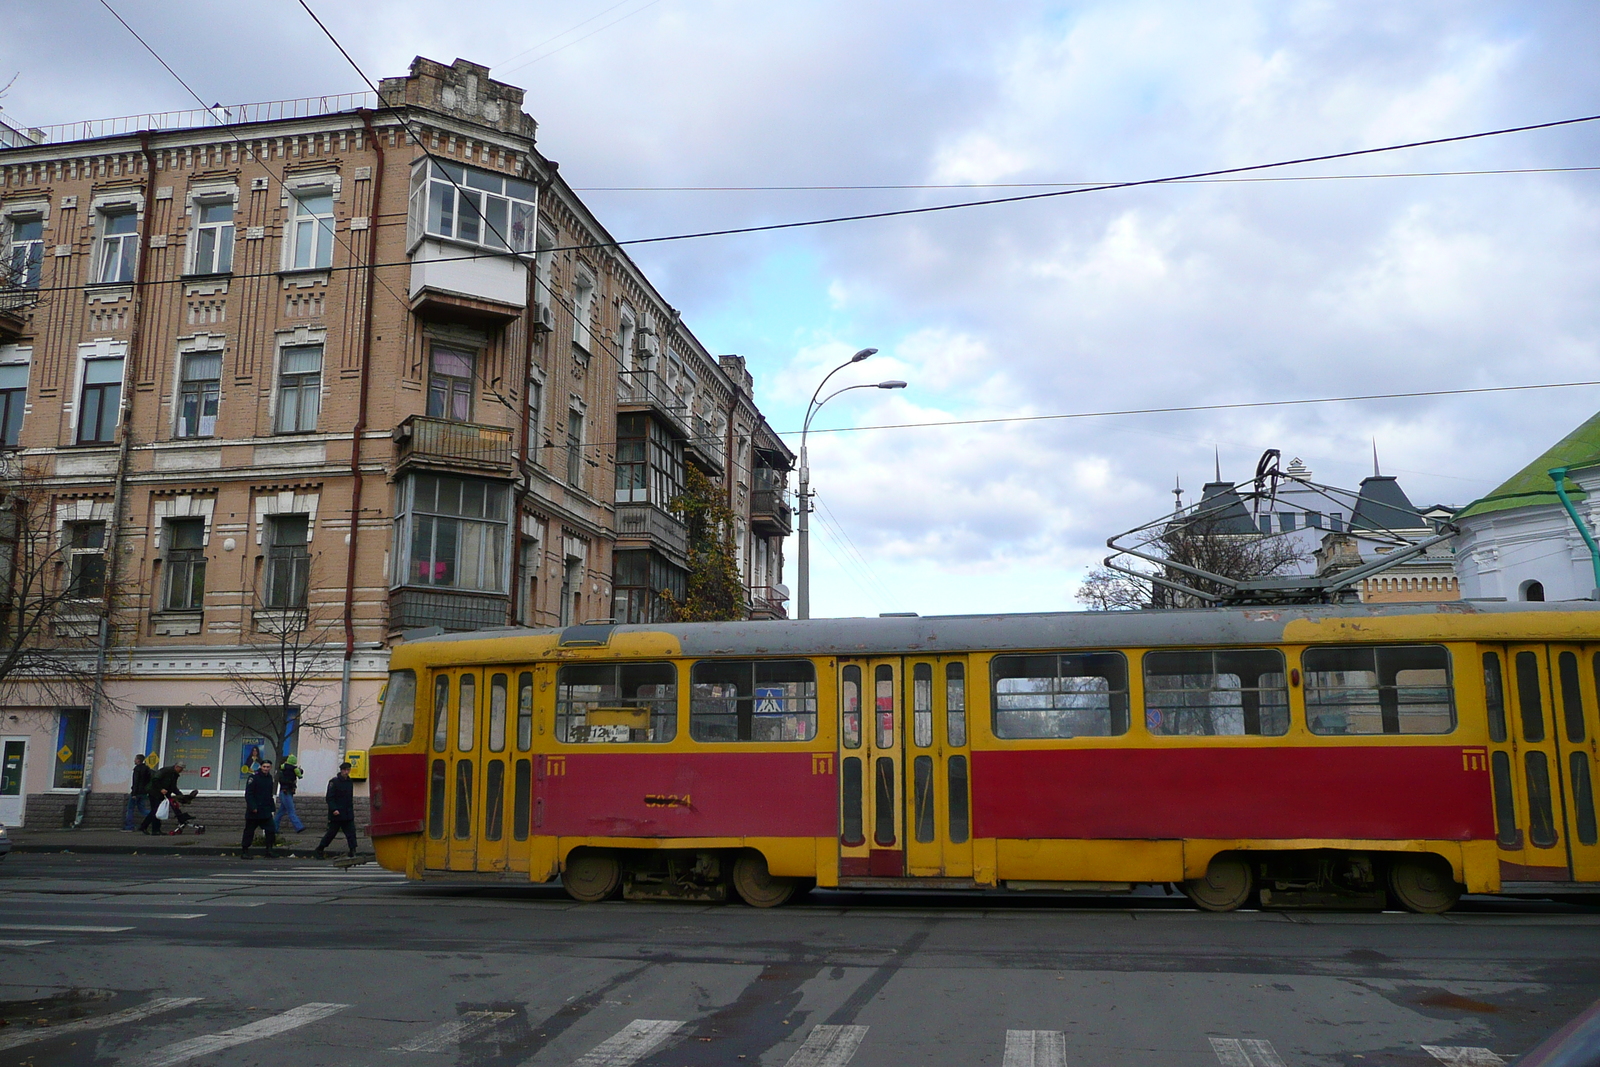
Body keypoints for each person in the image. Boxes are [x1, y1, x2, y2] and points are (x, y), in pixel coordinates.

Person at [314, 762, 358, 859]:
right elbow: (330, 797)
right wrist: (334, 809)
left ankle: (353, 850)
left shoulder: (349, 782)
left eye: (348, 770)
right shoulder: (334, 782)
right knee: (331, 833)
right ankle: (320, 849)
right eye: (345, 770)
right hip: (337, 813)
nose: (347, 772)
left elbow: (349, 798)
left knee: (351, 832)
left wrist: (350, 810)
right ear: (341, 770)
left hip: (347, 813)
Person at [240, 758, 278, 858]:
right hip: (254, 811)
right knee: (249, 831)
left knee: (271, 830)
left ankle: (269, 850)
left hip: (265, 810)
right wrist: (253, 807)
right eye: (264, 767)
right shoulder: (254, 777)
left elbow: (268, 794)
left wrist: (271, 807)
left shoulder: (269, 778)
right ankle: (245, 851)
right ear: (261, 767)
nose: (266, 769)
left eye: (268, 767)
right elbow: (249, 794)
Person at [140, 762, 191, 835]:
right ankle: (154, 830)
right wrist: (161, 789)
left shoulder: (174, 774)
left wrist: (180, 795)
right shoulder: (165, 771)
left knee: (156, 811)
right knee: (156, 811)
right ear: (177, 767)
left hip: (162, 793)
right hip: (154, 792)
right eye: (181, 769)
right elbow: (155, 779)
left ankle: (145, 826)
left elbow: (173, 786)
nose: (181, 770)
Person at [275, 754, 306, 834]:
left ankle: (274, 828)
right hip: (286, 792)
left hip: (286, 792)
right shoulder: (283, 773)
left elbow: (300, 772)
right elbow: (285, 781)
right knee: (291, 810)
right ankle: (299, 827)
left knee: (281, 812)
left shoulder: (285, 770)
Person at [122, 753, 151, 832]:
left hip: (136, 792)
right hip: (144, 792)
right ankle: (153, 816)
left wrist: (134, 793)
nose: (134, 760)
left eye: (135, 759)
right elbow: (148, 780)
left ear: (138, 760)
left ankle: (129, 826)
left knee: (130, 809)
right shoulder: (147, 768)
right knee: (142, 809)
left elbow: (136, 782)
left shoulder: (137, 769)